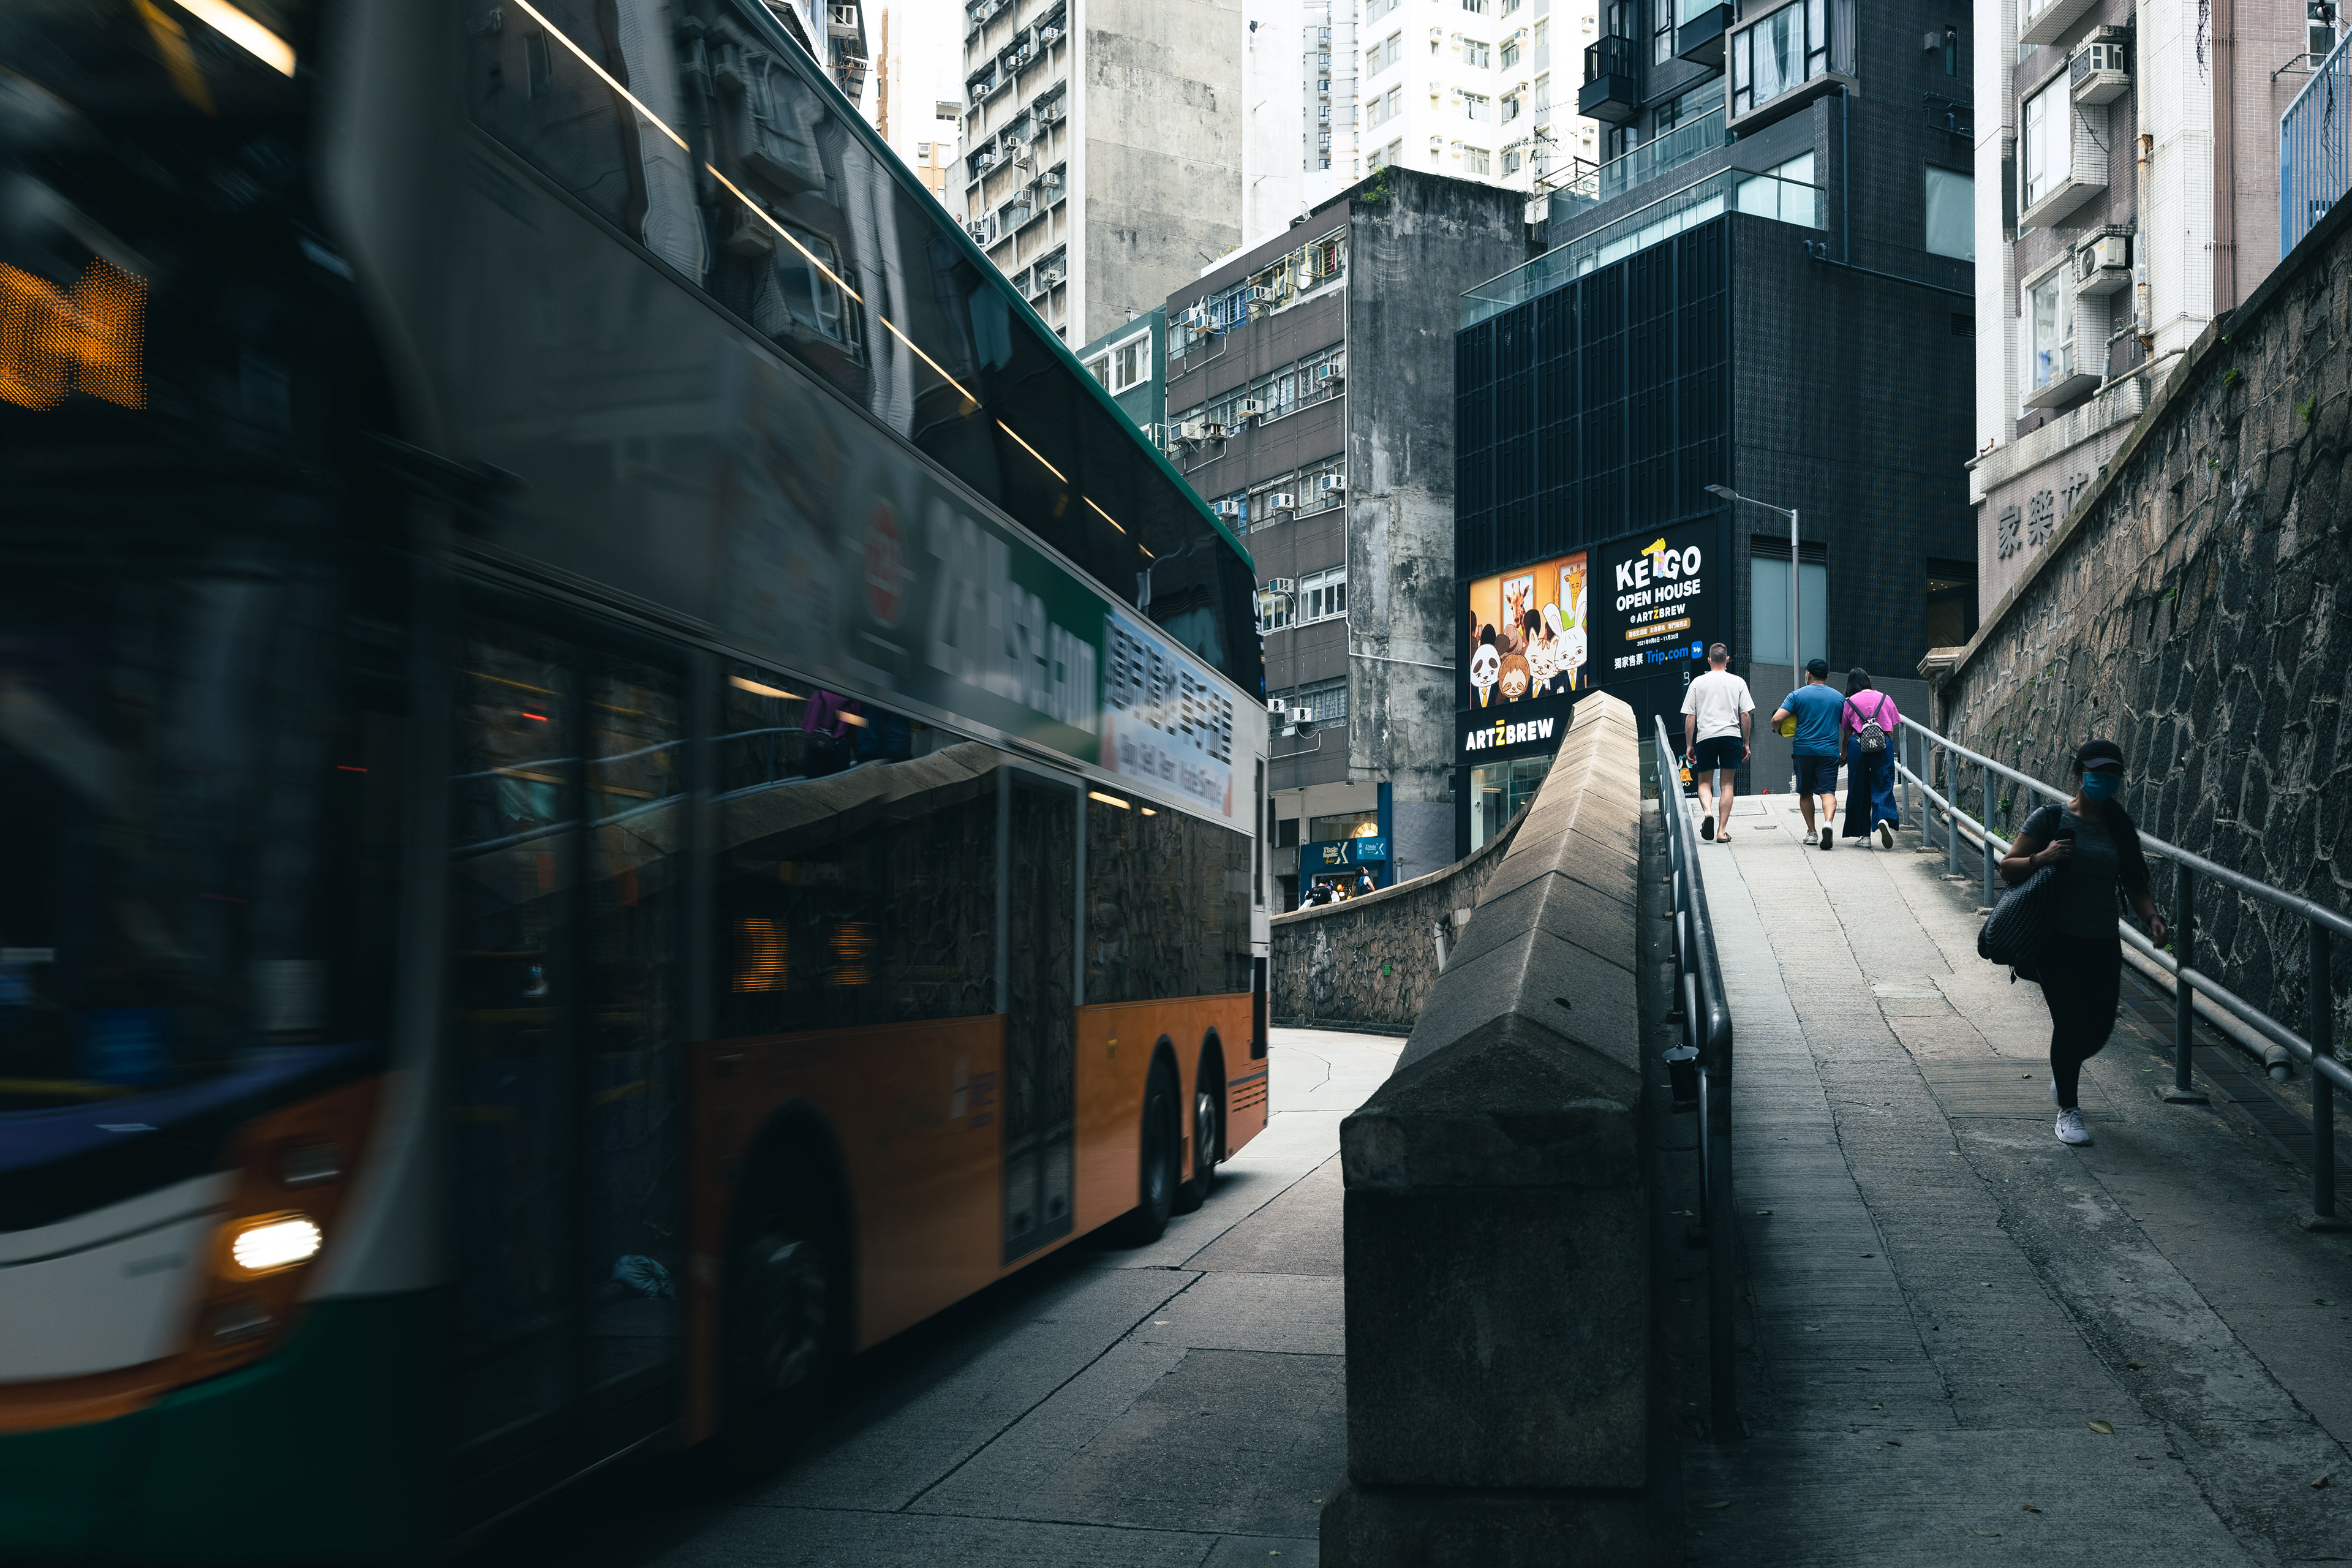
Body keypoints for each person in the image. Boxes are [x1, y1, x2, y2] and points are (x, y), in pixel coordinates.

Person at [1999, 739, 2168, 1146]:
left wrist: (2153, 918)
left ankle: (2066, 1069)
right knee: (2071, 1022)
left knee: (2099, 1028)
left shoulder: (2119, 826)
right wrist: (2044, 857)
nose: (2103, 780)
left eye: (2112, 774)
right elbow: (2007, 866)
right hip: (2055, 939)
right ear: (2080, 775)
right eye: (2096, 772)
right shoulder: (2050, 818)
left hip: (2103, 940)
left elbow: (2133, 882)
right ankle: (2068, 1110)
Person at [1679, 643, 1754, 842]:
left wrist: (1689, 744)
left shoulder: (1697, 683)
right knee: (1727, 783)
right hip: (1731, 736)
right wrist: (1746, 742)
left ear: (1709, 660)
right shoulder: (1738, 682)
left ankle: (1707, 813)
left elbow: (1690, 717)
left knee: (1704, 782)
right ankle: (1721, 832)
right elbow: (1745, 714)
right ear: (1727, 659)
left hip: (1706, 736)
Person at [1770, 658, 1845, 850]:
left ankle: (1812, 832)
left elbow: (1777, 719)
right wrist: (1844, 752)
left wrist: (1780, 730)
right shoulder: (1838, 698)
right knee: (1828, 792)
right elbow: (1849, 728)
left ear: (1808, 674)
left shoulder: (1797, 696)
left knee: (1806, 792)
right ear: (1827, 676)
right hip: (1829, 752)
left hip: (1804, 750)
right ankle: (1828, 822)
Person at [1838, 669, 1902, 849]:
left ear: (1850, 684)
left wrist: (1844, 756)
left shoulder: (1849, 702)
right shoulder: (1885, 698)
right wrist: (1886, 748)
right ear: (1868, 680)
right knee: (1884, 782)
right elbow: (1890, 730)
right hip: (1882, 745)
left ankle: (1864, 836)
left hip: (1858, 746)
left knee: (1859, 788)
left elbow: (1847, 733)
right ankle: (1882, 817)